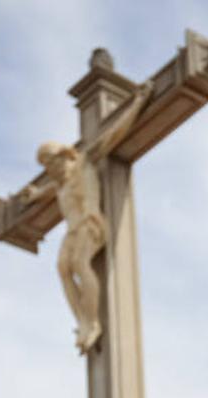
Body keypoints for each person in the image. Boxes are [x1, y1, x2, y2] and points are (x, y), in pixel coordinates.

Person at [17, 80, 154, 355]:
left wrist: (138, 103)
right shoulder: (58, 184)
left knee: (80, 263)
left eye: (52, 163)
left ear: (64, 157)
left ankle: (92, 323)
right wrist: (33, 196)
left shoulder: (83, 164)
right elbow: (47, 194)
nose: (50, 169)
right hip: (72, 230)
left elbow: (114, 135)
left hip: (90, 223)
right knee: (62, 269)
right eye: (46, 166)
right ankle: (82, 319)